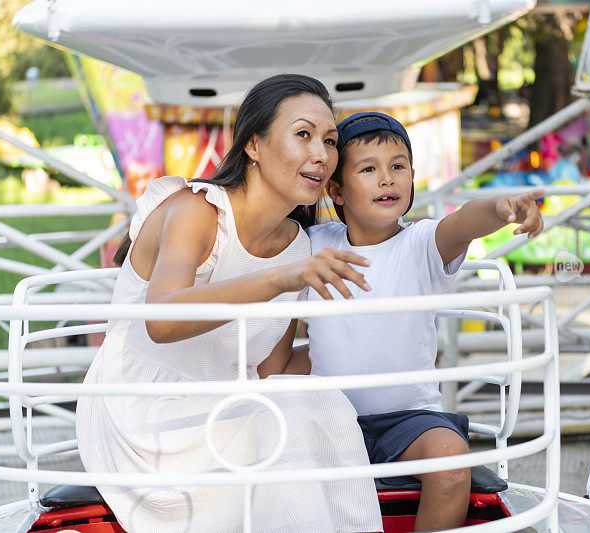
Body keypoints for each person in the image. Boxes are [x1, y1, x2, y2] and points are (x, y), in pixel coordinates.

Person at [75, 75, 383, 533]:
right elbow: (161, 321)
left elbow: (270, 368)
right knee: (278, 423)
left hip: (228, 404)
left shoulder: (298, 247)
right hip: (143, 411)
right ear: (254, 144)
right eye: (303, 135)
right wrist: (279, 278)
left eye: (330, 140)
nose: (322, 154)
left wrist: (370, 338)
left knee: (325, 405)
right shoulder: (196, 211)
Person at [306, 112, 544, 531]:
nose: (388, 180)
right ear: (337, 190)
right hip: (328, 417)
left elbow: (464, 221)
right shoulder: (313, 245)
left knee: (453, 464)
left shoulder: (421, 244)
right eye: (369, 169)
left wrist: (499, 207)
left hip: (409, 420)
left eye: (398, 167)